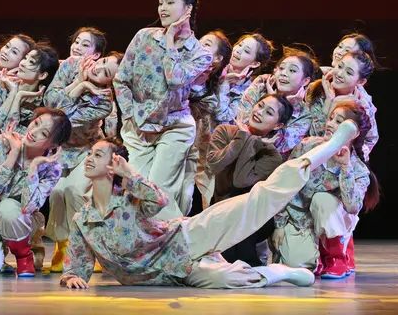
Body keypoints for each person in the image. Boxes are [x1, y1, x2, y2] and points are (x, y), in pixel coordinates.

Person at [59, 118, 359, 290]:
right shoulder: (83, 220)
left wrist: (131, 175)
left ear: (114, 164)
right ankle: (281, 272)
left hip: (185, 239)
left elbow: (159, 200)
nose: (89, 158)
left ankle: (327, 148)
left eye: (98, 154)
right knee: (229, 279)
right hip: (170, 274)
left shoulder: (130, 196)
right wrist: (72, 276)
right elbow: (78, 264)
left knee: (259, 199)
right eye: (90, 154)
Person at [114, 0, 213, 218]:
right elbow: (121, 79)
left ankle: (177, 238)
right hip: (138, 125)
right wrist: (128, 115)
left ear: (188, 9)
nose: (163, 8)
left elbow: (175, 79)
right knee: (135, 189)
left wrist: (170, 41)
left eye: (170, 2)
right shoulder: (144, 37)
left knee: (159, 191)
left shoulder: (200, 54)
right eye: (160, 3)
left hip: (174, 127)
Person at [271, 100, 379, 280]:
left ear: (354, 133)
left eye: (339, 122)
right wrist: (280, 225)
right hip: (301, 218)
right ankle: (316, 256)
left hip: (331, 218)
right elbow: (285, 184)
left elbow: (353, 207)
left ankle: (337, 256)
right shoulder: (307, 146)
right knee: (296, 265)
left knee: (322, 199)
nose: (330, 124)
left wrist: (345, 167)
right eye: (331, 118)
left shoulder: (358, 169)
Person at [0, 109, 72, 277]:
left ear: (53, 145)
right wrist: (14, 153)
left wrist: (33, 168)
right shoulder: (4, 142)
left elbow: (30, 206)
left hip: (19, 218)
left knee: (8, 208)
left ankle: (23, 256)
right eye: (36, 123)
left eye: (44, 133)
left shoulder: (52, 167)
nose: (34, 132)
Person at [42, 52, 120, 271]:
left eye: (106, 73)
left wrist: (81, 87)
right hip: (59, 151)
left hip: (85, 151)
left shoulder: (103, 102)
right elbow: (49, 103)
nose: (98, 68)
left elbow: (62, 120)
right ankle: (63, 245)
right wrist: (79, 83)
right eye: (102, 62)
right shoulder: (71, 66)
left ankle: (87, 245)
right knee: (56, 192)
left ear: (110, 83)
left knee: (74, 190)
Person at [208, 95, 296, 265]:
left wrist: (250, 139)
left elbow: (240, 181)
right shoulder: (224, 131)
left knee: (238, 256)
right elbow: (215, 164)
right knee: (223, 257)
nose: (260, 112)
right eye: (260, 105)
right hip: (221, 208)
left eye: (269, 112)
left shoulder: (271, 155)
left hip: (252, 216)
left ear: (278, 125)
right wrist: (242, 136)